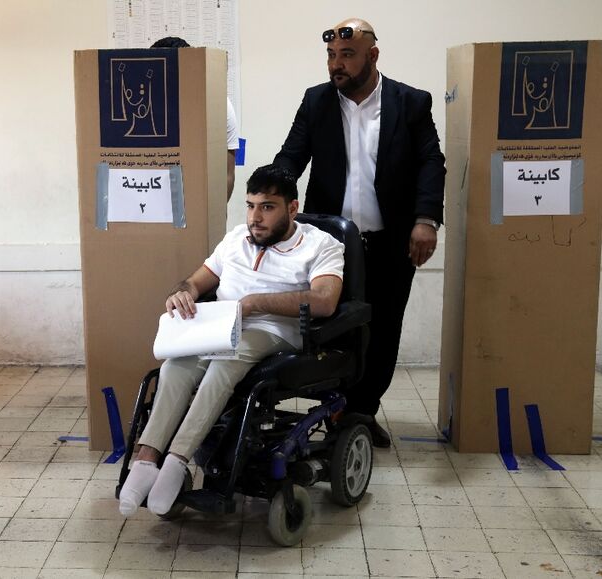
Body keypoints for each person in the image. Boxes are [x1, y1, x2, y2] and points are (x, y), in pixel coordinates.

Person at [118, 164, 345, 517]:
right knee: (175, 367)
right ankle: (147, 461)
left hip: (274, 330)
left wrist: (256, 303)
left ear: (292, 208)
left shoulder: (321, 245)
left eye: (267, 207)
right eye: (251, 205)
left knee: (224, 363)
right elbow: (196, 281)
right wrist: (183, 293)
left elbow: (325, 300)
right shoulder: (235, 239)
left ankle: (177, 462)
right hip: (221, 325)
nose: (256, 217)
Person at [273, 18, 446, 448]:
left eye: (347, 55)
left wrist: (426, 220)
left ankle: (362, 414)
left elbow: (430, 162)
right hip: (330, 245)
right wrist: (270, 196)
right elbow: (291, 157)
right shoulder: (317, 102)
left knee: (384, 329)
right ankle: (334, 410)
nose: (337, 65)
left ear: (372, 55)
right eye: (332, 56)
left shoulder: (411, 103)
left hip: (390, 241)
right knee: (332, 328)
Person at [150, 36, 240, 199]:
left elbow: (226, 173)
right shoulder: (143, 106)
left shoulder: (217, 103)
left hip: (198, 201)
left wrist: (215, 217)